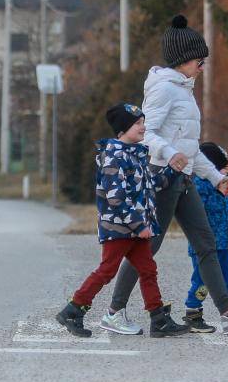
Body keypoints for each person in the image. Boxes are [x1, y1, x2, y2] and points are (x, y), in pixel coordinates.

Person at [104, 16, 228, 337]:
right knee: (147, 248)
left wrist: (215, 176)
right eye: (199, 60)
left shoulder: (184, 90)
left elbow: (189, 147)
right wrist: (168, 153)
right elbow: (144, 133)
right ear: (183, 60)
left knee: (206, 242)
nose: (202, 66)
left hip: (184, 178)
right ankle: (114, 311)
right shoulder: (165, 90)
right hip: (162, 176)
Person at [56, 104, 185, 338]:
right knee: (107, 271)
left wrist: (173, 171)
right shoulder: (114, 157)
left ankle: (158, 320)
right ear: (123, 129)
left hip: (135, 230)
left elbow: (150, 187)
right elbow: (116, 198)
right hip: (118, 228)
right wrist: (139, 225)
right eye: (138, 123)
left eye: (143, 122)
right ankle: (73, 310)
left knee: (148, 270)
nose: (143, 127)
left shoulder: (136, 154)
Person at [183, 142, 228, 332]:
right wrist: (216, 180)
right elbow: (195, 208)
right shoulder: (200, 183)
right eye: (224, 161)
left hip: (223, 245)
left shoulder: (226, 182)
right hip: (203, 247)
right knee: (202, 283)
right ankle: (193, 314)